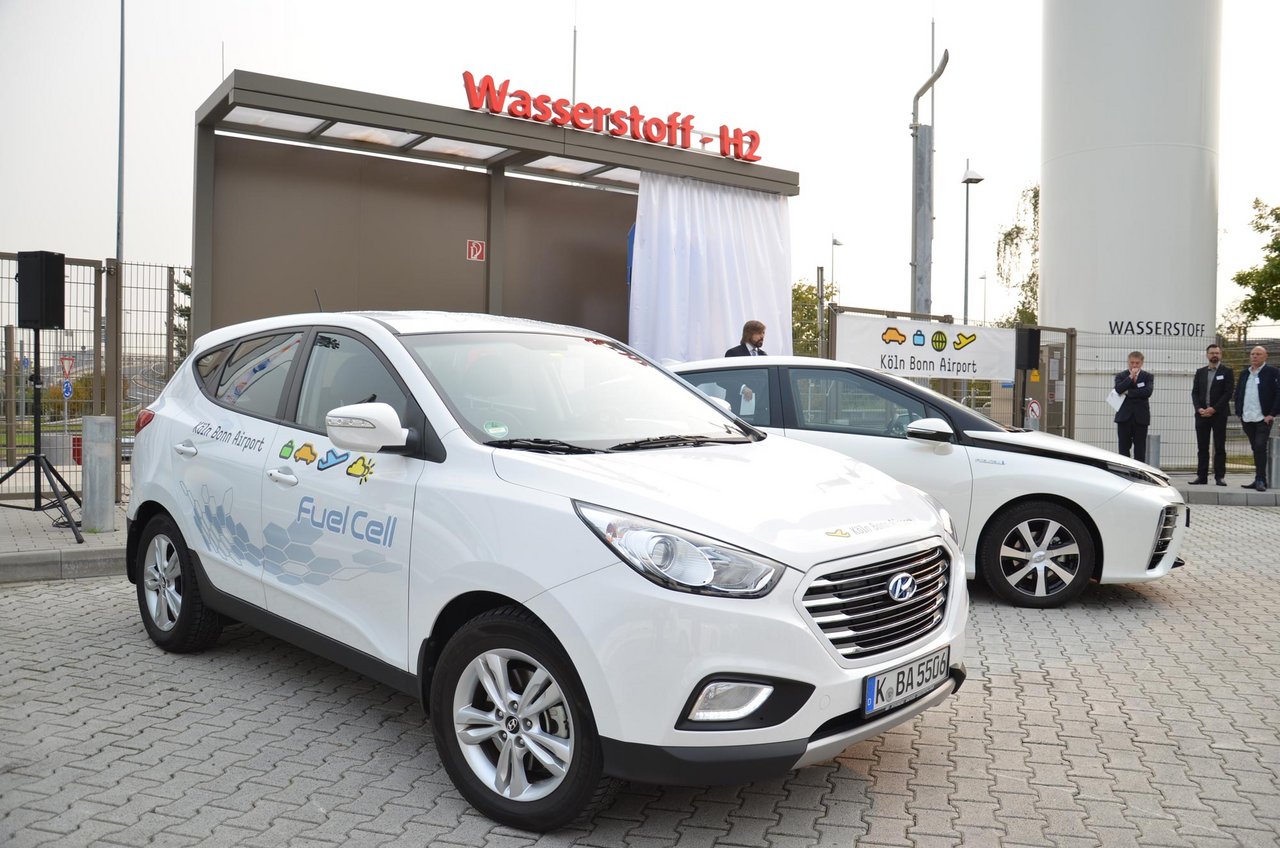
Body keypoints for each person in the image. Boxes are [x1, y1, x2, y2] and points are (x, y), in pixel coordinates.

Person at [1233, 345, 1280, 492]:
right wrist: (1239, 411)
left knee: (1260, 446)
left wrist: (1272, 414)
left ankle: (1261, 480)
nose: (1254, 356)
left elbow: (1278, 394)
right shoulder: (1244, 373)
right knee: (1256, 448)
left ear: (1265, 356)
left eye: (1258, 354)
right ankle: (1258, 478)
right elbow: (1239, 392)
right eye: (1252, 354)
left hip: (1263, 418)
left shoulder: (1273, 372)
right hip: (1247, 417)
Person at [1189, 343, 1234, 485]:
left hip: (1219, 414)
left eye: (1217, 353)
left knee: (1219, 446)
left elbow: (1228, 393)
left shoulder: (1227, 372)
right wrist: (1199, 408)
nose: (1214, 355)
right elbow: (1195, 392)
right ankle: (1201, 476)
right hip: (1202, 414)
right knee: (1202, 447)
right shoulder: (1200, 372)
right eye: (1212, 353)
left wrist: (1213, 409)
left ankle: (1219, 476)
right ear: (1207, 355)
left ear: (1221, 355)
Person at [1114, 350, 1153, 463]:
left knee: (1140, 448)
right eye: (1132, 362)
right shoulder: (1121, 376)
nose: (1134, 365)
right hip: (1124, 417)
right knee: (1123, 447)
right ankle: (1124, 471)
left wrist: (1129, 393)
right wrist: (1130, 377)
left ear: (1141, 363)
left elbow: (1148, 392)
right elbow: (1118, 389)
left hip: (1140, 418)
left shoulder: (1147, 376)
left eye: (1137, 363)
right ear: (1128, 362)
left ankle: (1139, 472)